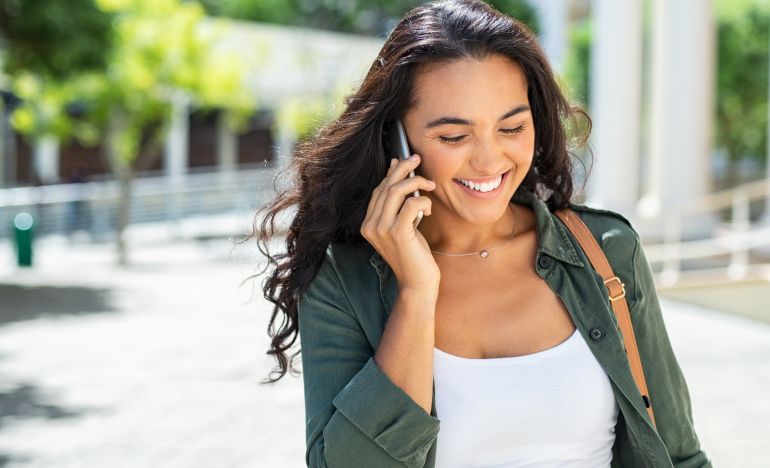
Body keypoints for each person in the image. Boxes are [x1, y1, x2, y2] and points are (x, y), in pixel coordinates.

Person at [253, 1, 712, 466]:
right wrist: (415, 292)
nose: (490, 161)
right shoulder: (344, 281)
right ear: (396, 139)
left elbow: (680, 456)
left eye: (512, 127)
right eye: (454, 137)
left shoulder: (608, 253)